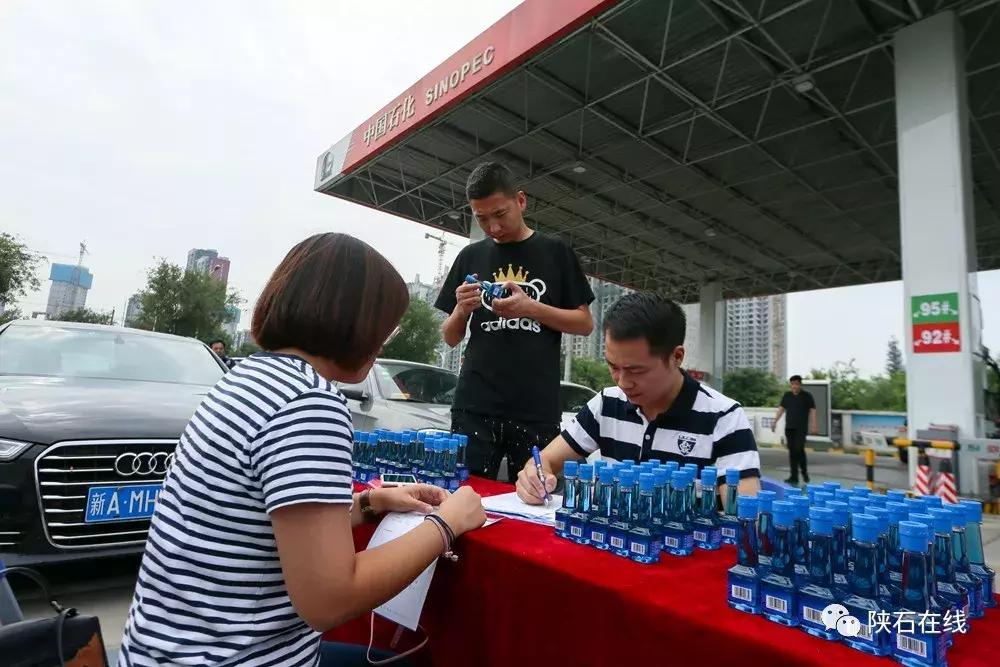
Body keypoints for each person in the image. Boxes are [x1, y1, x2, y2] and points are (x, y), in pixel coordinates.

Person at [119, 233, 486, 667]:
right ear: (354, 323)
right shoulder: (308, 403)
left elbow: (258, 522)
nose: (383, 343)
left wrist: (369, 503)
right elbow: (330, 600)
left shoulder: (249, 378)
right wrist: (447, 523)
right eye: (384, 328)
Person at [516, 293, 761, 504]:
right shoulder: (606, 404)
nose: (622, 382)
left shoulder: (724, 418)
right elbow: (544, 461)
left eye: (636, 370)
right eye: (613, 366)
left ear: (676, 357)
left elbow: (745, 514)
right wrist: (533, 479)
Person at [435, 162, 595, 482]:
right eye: (481, 218)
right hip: (474, 405)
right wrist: (461, 311)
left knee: (536, 499)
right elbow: (450, 338)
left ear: (520, 201)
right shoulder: (470, 256)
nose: (493, 227)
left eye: (500, 214)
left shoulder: (555, 252)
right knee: (465, 496)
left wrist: (531, 308)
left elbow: (584, 323)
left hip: (535, 409)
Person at [772, 374, 817, 485]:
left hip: (801, 429)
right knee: (792, 452)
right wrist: (774, 422)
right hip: (789, 428)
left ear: (800, 385)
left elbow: (813, 411)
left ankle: (804, 473)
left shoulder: (807, 396)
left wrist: (814, 425)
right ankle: (794, 476)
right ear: (790, 385)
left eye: (796, 384)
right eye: (792, 384)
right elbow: (781, 409)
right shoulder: (787, 395)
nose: (794, 386)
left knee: (798, 449)